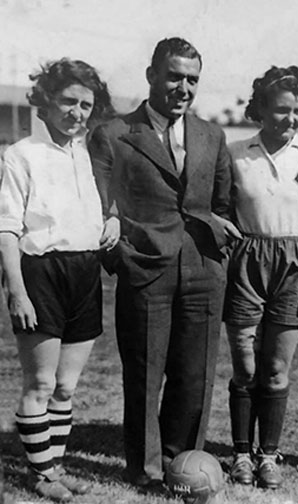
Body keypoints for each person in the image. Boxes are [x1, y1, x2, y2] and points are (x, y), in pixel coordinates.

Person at [87, 37, 240, 489]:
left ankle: (183, 465)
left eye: (192, 79)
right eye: (174, 76)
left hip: (202, 269)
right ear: (152, 74)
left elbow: (223, 202)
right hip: (144, 268)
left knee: (194, 376)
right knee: (145, 374)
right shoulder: (113, 134)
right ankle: (147, 470)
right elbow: (97, 209)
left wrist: (215, 244)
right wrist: (124, 261)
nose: (183, 87)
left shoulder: (211, 134)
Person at [0, 58, 116, 502]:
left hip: (84, 273)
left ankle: (55, 467)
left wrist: (113, 222)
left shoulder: (88, 154)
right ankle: (41, 475)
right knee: (41, 384)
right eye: (68, 102)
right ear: (46, 103)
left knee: (67, 387)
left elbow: (100, 209)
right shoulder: (21, 154)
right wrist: (17, 290)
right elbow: (7, 228)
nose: (78, 112)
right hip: (40, 273)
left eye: (86, 104)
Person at [223, 65, 298, 489]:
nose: (290, 119)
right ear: (261, 110)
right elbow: (219, 208)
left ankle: (268, 455)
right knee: (246, 365)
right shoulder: (235, 152)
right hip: (248, 260)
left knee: (275, 369)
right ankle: (240, 454)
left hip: (294, 262)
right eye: (281, 110)